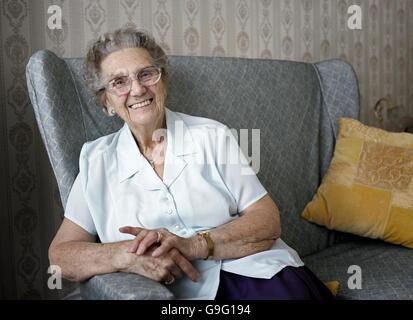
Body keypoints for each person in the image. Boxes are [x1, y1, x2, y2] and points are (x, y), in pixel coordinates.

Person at [48, 27, 334, 300]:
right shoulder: (96, 160)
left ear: (163, 82)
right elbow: (60, 255)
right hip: (167, 293)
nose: (137, 89)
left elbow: (267, 219)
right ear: (106, 102)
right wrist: (126, 255)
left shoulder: (212, 136)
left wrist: (196, 245)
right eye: (119, 82)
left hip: (256, 274)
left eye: (146, 74)